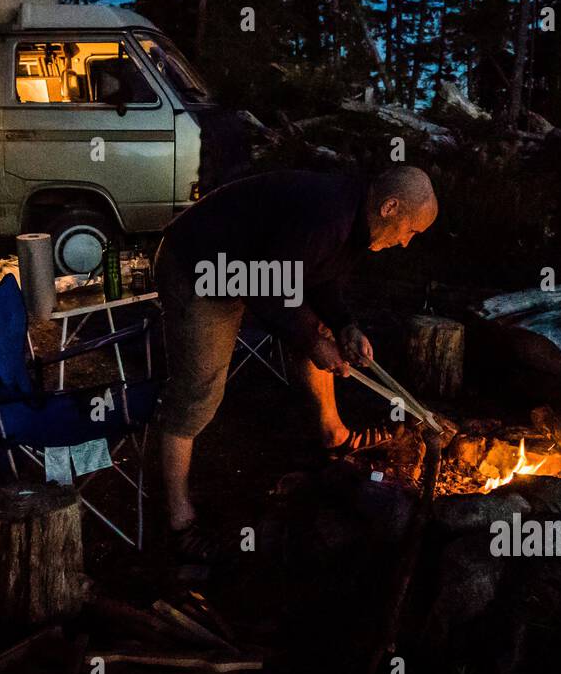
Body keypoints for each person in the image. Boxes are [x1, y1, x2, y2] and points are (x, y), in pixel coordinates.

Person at [153, 166, 438, 561]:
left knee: (320, 332)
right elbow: (265, 289)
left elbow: (318, 277)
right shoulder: (326, 216)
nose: (407, 243)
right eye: (411, 232)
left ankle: (334, 434)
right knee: (198, 388)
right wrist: (312, 343)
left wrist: (344, 326)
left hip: (246, 266)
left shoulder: (358, 217)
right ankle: (179, 519)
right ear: (391, 207)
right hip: (199, 264)